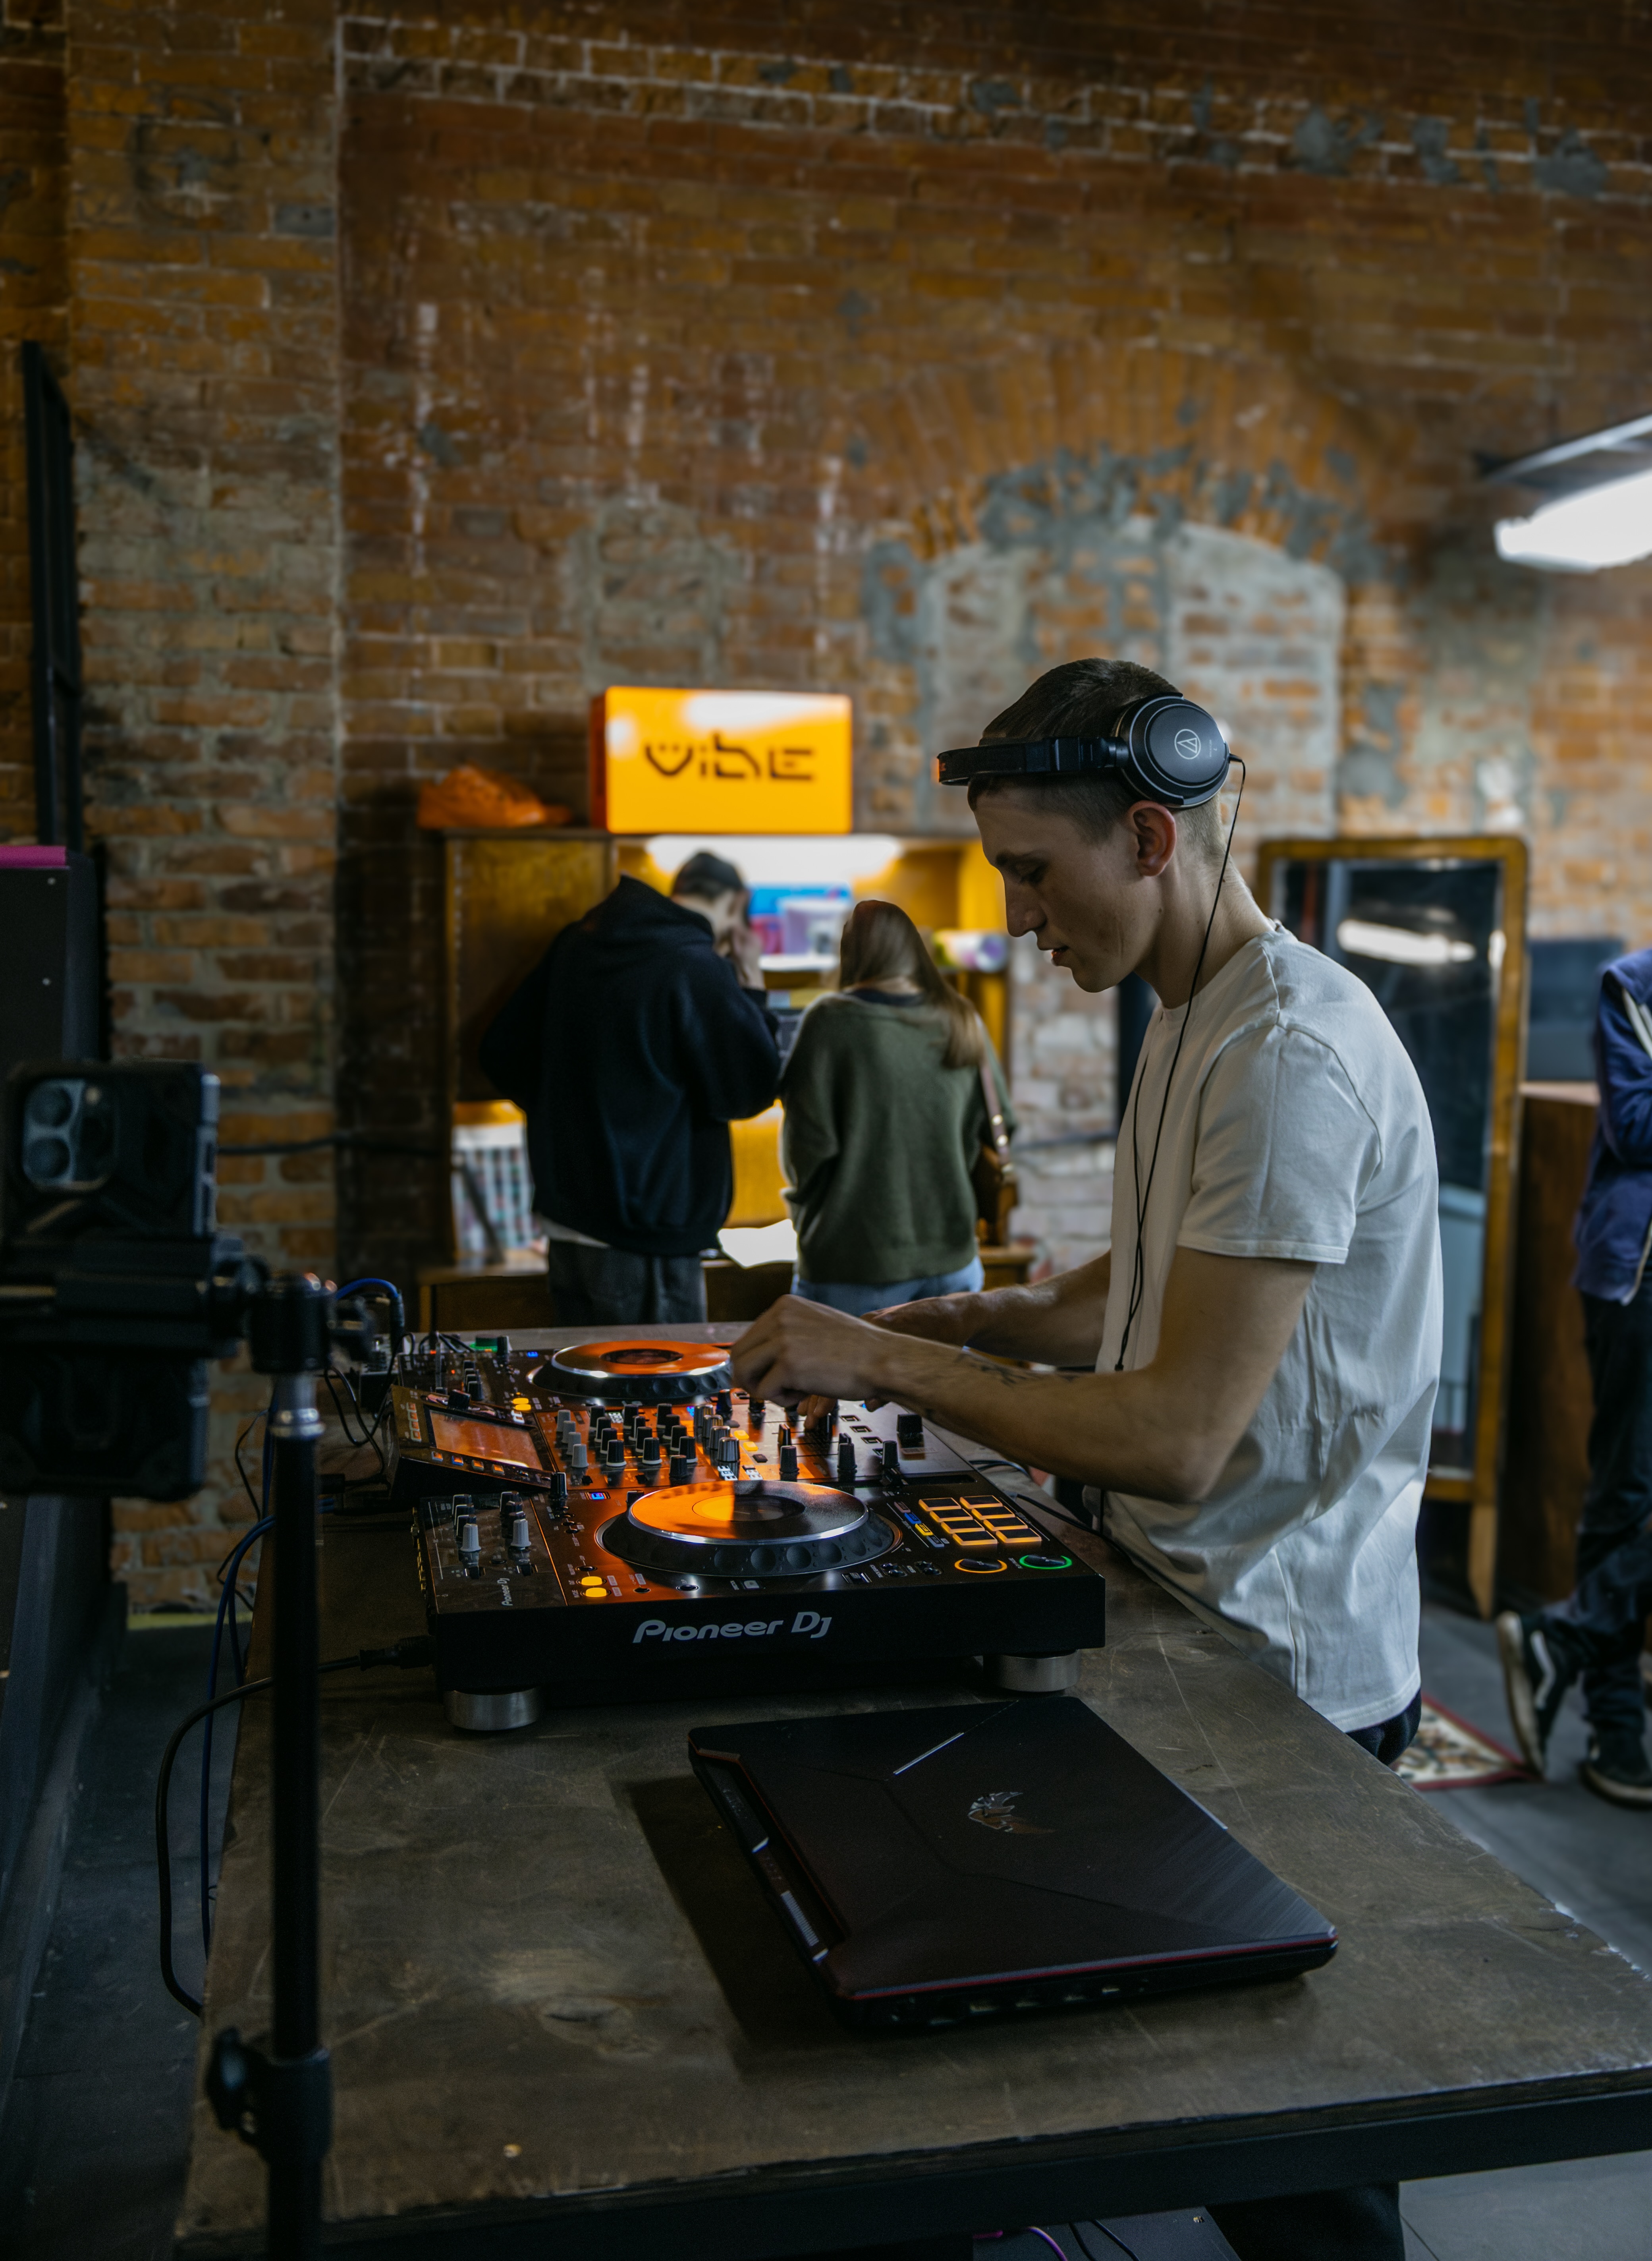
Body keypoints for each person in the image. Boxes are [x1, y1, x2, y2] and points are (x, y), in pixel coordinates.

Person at [731, 656, 1442, 2261]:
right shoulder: (1194, 1015)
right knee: (1190, 2090)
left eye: (1034, 878)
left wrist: (878, 1355)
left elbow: (1180, 1435)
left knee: (1294, 2161)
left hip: (1287, 1680)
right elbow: (1135, 1293)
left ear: (1145, 835)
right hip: (1194, 1628)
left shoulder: (1284, 1057)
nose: (1021, 919)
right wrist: (979, 1318)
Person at [479, 850, 780, 1325]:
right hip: (650, 1231)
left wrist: (564, 1118)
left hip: (567, 1219)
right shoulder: (695, 966)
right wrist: (753, 990)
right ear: (738, 902)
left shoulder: (576, 944)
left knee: (584, 1391)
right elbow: (747, 1090)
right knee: (660, 1393)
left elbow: (500, 1050)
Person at [1498, 946, 1652, 1810]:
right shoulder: (1630, 985)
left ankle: (1562, 1638)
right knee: (1624, 1496)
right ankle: (1617, 1735)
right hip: (1638, 1273)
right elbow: (1632, 1127)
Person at [780, 899, 1014, 1316]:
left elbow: (806, 1147)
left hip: (853, 1264)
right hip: (954, 1263)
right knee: (940, 1383)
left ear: (849, 954)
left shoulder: (829, 1021)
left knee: (843, 1383)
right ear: (914, 950)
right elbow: (1001, 1124)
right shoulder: (961, 1017)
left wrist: (803, 1217)